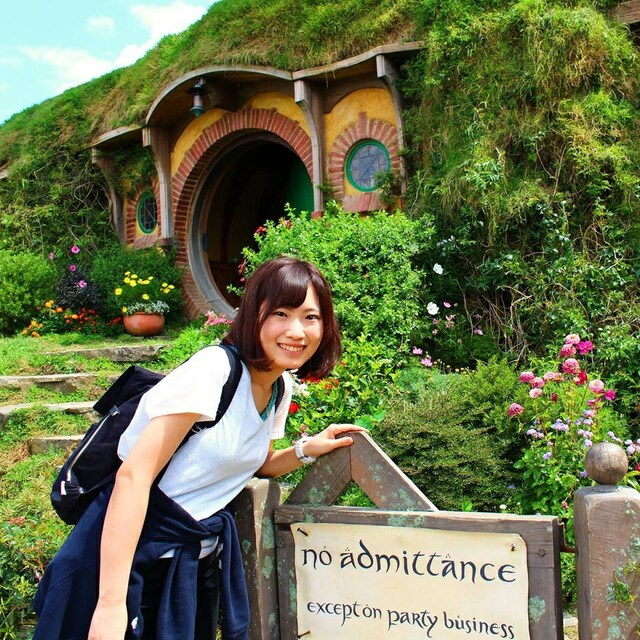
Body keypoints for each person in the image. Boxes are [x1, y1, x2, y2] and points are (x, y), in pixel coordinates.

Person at [33, 256, 365, 640]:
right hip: (122, 566)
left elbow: (258, 463)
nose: (297, 330)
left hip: (187, 571)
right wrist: (109, 605)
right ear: (253, 314)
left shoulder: (278, 387)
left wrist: (308, 449)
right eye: (281, 313)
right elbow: (133, 476)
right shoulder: (214, 371)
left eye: (311, 317)